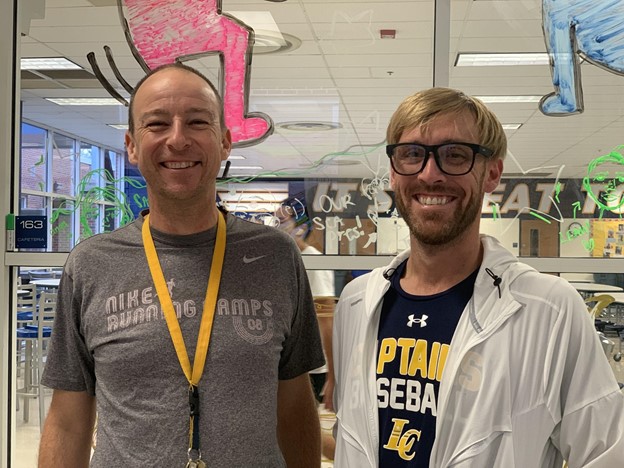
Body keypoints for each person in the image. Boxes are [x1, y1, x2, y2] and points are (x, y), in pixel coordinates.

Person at [38, 63, 324, 467]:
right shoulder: (91, 265)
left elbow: (295, 403)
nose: (177, 139)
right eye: (156, 124)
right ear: (132, 146)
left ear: (224, 142)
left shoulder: (276, 257)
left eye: (197, 122)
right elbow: (68, 418)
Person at [332, 87, 624, 467]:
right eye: (412, 154)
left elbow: (606, 454)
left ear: (492, 173)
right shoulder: (356, 304)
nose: (430, 174)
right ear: (393, 170)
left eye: (455, 155)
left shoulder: (549, 311)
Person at [275, 200, 337, 460]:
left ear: (301, 225)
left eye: (283, 220)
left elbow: (325, 318)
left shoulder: (312, 260)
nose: (279, 226)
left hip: (310, 364)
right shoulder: (286, 257)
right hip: (288, 359)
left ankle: (346, 459)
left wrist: (333, 374)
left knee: (300, 431)